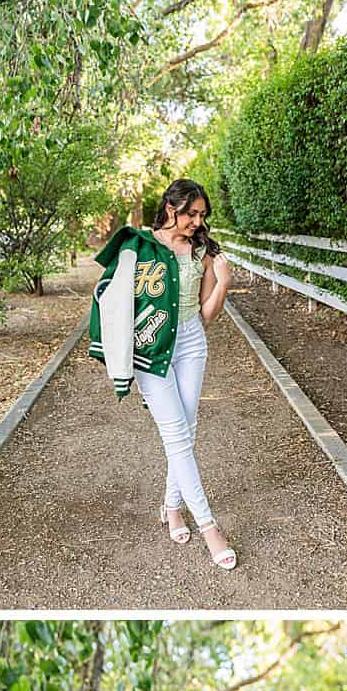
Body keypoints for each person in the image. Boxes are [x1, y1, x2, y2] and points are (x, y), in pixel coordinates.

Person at [89, 178, 239, 570]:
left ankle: (172, 507)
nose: (197, 221)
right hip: (152, 347)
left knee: (186, 433)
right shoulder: (140, 246)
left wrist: (222, 282)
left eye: (202, 215)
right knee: (176, 433)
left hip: (190, 342)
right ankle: (209, 527)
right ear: (172, 208)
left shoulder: (201, 251)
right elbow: (114, 293)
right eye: (192, 213)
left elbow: (208, 315)